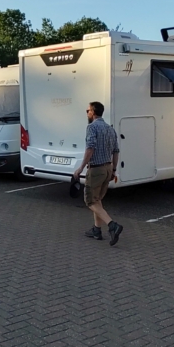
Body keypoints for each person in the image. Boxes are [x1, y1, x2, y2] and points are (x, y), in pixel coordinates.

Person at [72, 101, 123, 246]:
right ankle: (96, 230)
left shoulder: (92, 127)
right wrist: (113, 170)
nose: (87, 112)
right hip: (107, 168)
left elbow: (90, 148)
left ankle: (112, 225)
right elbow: (116, 151)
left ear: (93, 112)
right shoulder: (110, 129)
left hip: (96, 169)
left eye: (87, 110)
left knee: (90, 201)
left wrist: (81, 167)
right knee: (98, 199)